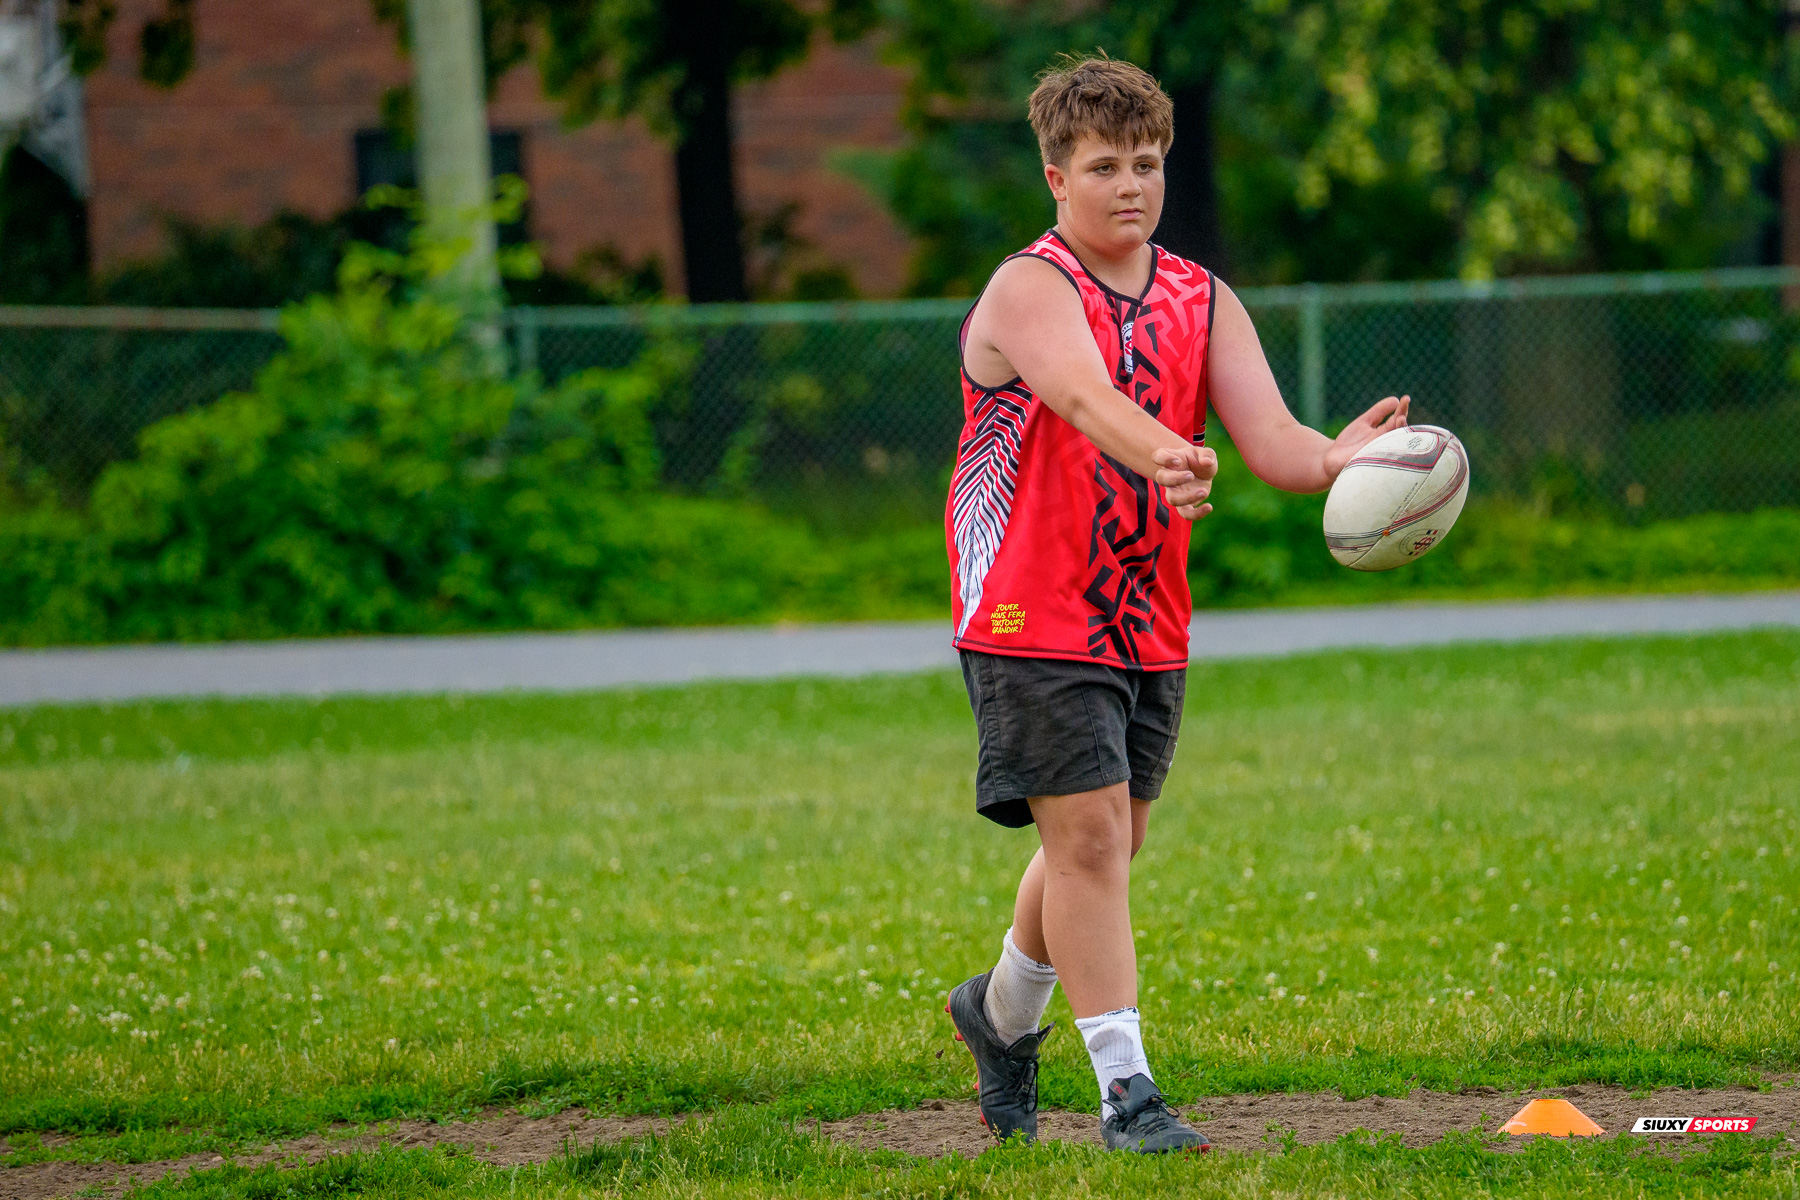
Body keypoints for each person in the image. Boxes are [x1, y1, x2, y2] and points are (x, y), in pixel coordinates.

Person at [943, 54, 1411, 1154]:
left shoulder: (1202, 296)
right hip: (1026, 610)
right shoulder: (1029, 286)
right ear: (1056, 177)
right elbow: (1077, 391)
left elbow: (1277, 443)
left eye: (1146, 163)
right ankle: (1128, 1097)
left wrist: (1342, 461)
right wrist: (1165, 451)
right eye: (1102, 165)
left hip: (1143, 615)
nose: (1128, 185)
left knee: (1101, 844)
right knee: (1093, 840)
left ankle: (999, 1015)